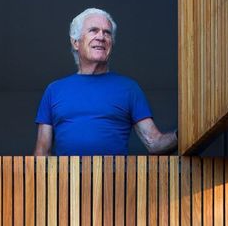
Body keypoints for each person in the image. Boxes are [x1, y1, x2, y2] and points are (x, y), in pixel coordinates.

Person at [34, 8, 177, 156]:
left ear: (111, 44)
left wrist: (183, 134)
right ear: (76, 42)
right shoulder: (54, 90)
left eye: (107, 33)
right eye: (93, 30)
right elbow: (42, 152)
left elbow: (154, 143)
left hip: (115, 178)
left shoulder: (129, 88)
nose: (101, 37)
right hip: (68, 179)